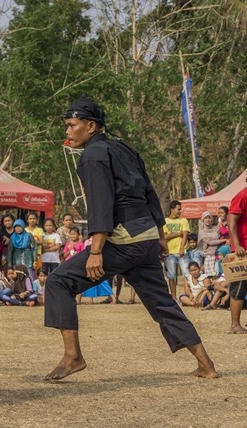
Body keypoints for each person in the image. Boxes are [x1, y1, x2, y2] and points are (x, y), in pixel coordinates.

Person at [43, 95, 216, 381]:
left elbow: (101, 203)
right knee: (162, 302)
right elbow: (149, 192)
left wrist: (96, 251)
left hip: (123, 240)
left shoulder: (93, 155)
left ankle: (73, 357)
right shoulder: (124, 149)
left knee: (59, 281)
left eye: (72, 125)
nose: (68, 131)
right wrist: (159, 235)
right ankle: (206, 365)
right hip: (146, 238)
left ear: (91, 126)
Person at [227, 181, 247, 333]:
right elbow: (231, 221)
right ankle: (235, 325)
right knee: (239, 287)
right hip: (242, 251)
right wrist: (237, 244)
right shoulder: (242, 195)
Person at [163, 200, 191, 299]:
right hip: (169, 253)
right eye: (178, 209)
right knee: (171, 275)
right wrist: (177, 234)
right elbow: (164, 237)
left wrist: (181, 248)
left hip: (182, 252)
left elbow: (185, 235)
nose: (180, 211)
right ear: (172, 210)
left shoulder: (184, 220)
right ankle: (174, 298)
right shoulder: (165, 221)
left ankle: (189, 295)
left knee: (187, 275)